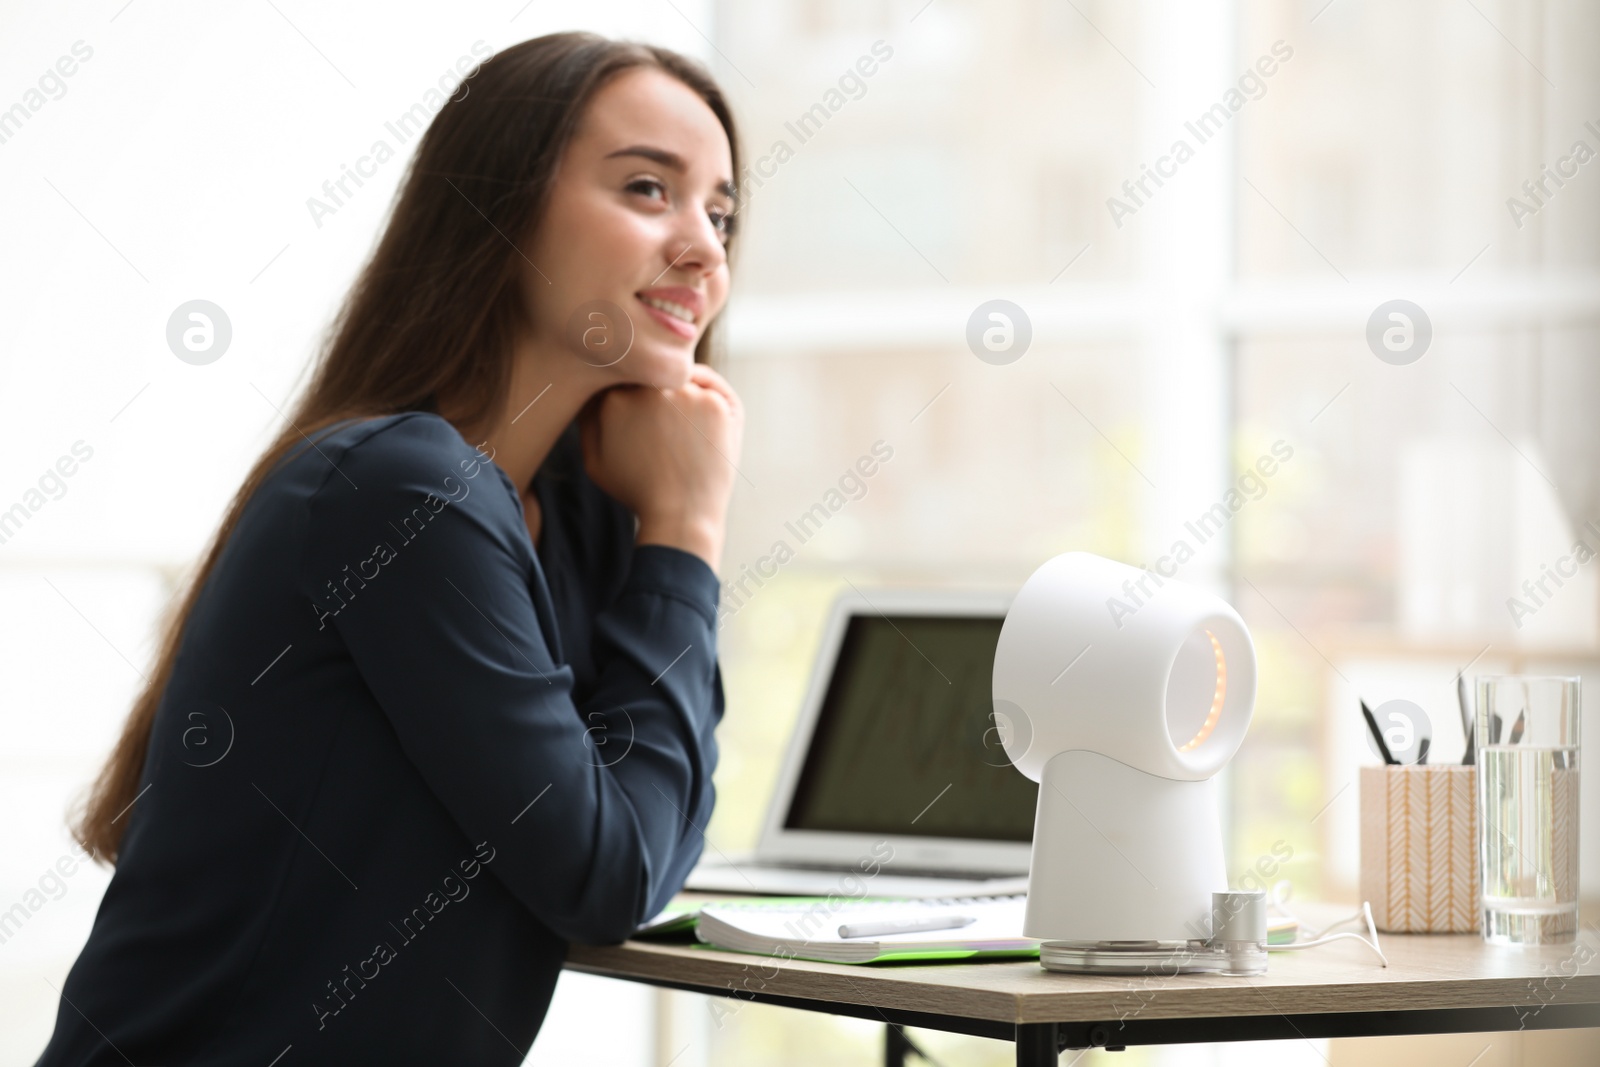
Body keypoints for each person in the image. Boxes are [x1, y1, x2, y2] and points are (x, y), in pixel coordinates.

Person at [35, 31, 742, 1065]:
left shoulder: (573, 518)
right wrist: (690, 530)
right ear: (499, 208)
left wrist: (658, 526)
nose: (703, 248)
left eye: (721, 213)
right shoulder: (402, 491)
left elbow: (642, 829)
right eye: (648, 189)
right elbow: (612, 873)